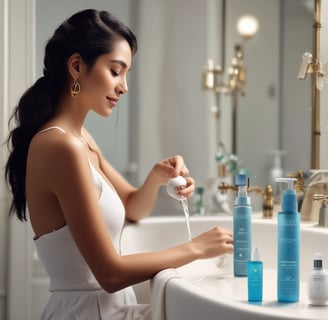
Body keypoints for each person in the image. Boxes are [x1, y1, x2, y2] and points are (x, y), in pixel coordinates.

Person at [5, 9, 233, 320]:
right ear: (76, 66)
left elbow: (132, 207)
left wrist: (157, 176)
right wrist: (196, 249)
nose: (123, 86)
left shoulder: (80, 137)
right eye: (115, 71)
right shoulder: (61, 146)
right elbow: (109, 274)